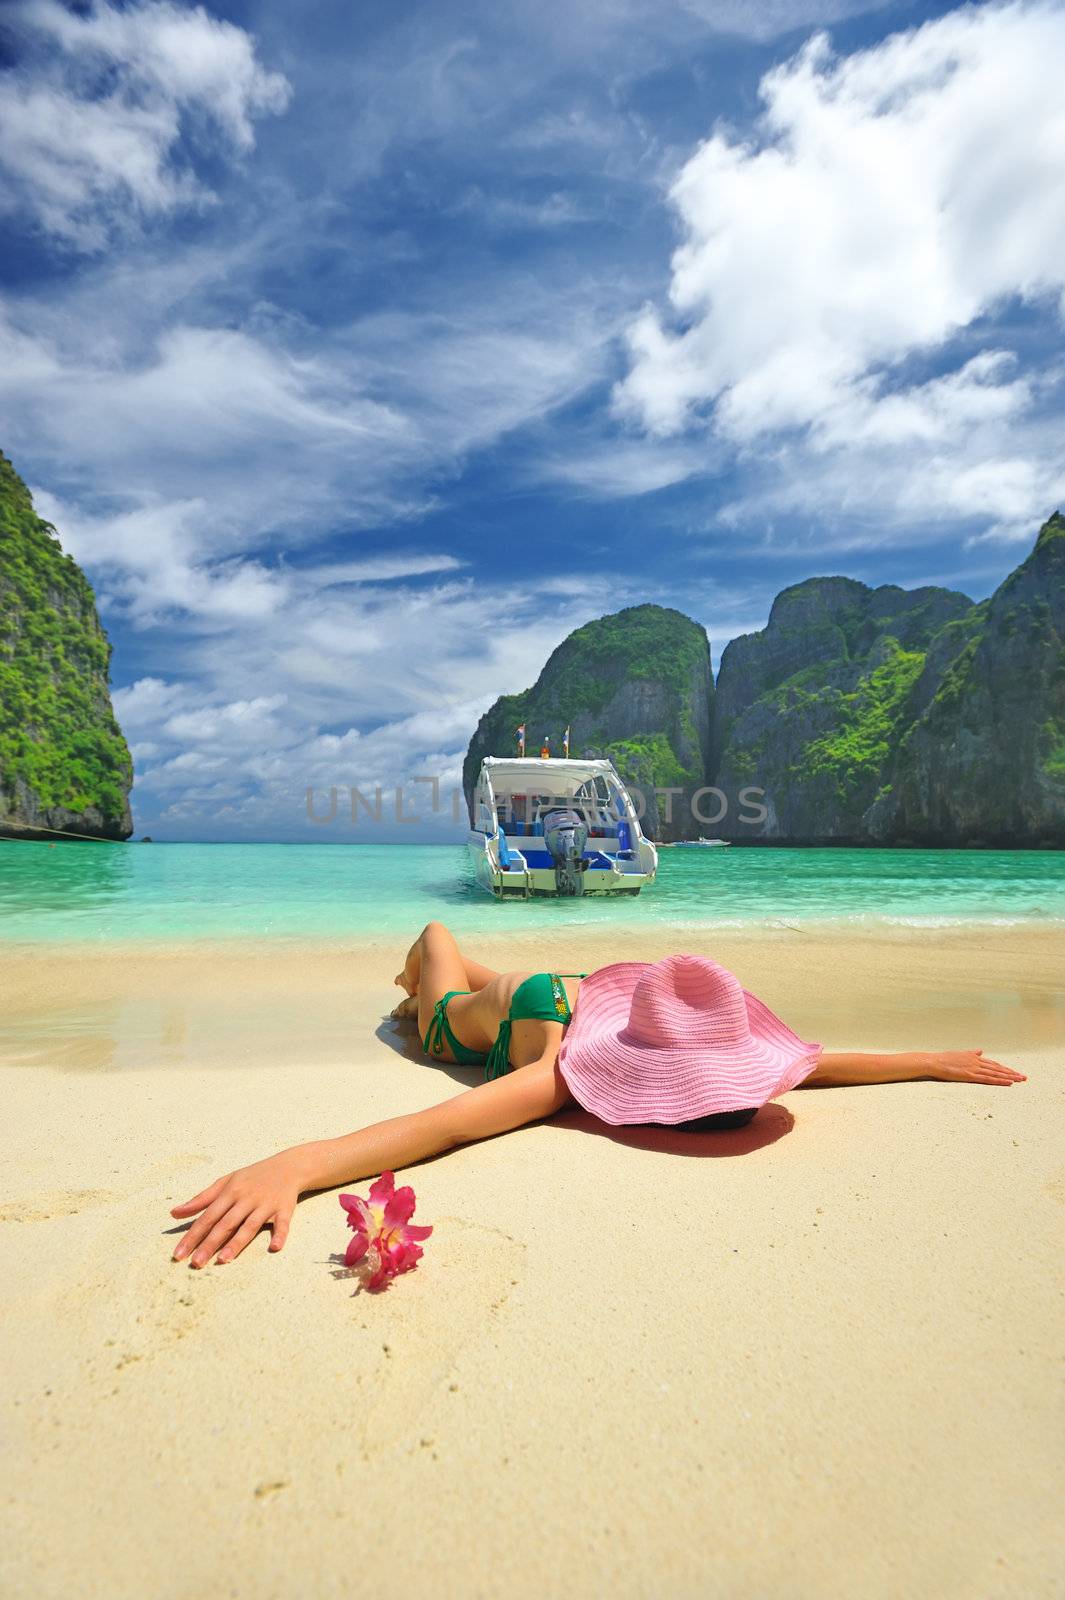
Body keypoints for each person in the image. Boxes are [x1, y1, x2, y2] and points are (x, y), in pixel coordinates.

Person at [170, 920, 1025, 1269]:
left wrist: (924, 1059)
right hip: (473, 1028)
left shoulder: (672, 1028)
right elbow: (439, 1126)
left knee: (468, 964)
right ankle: (413, 995)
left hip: (557, 994)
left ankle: (429, 983)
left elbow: (813, 1061)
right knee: (434, 946)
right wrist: (296, 1165)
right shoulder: (557, 1079)